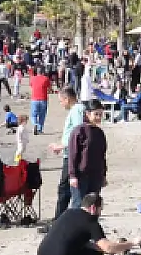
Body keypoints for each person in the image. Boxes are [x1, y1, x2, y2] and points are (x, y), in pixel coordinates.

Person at [36, 193, 141, 255]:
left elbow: (73, 239)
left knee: (88, 247)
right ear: (93, 208)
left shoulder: (68, 213)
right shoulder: (91, 222)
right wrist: (133, 242)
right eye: (100, 209)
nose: (100, 213)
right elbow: (108, 248)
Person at [48, 87, 86, 218]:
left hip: (72, 156)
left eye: (61, 101)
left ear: (67, 99)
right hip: (69, 152)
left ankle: (59, 221)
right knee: (66, 189)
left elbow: (78, 132)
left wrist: (61, 146)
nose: (61, 104)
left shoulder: (77, 110)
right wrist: (62, 146)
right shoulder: (77, 110)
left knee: (65, 189)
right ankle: (61, 219)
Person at [67, 112, 108, 212]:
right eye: (96, 114)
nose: (99, 117)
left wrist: (103, 175)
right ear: (88, 114)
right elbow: (72, 155)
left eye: (100, 114)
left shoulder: (100, 133)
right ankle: (76, 227)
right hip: (81, 175)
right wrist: (72, 176)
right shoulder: (79, 131)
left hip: (96, 175)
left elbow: (102, 156)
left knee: (94, 205)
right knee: (79, 205)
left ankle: (91, 227)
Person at [28, 68, 52, 134]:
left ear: (37, 72)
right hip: (43, 99)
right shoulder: (46, 78)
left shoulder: (32, 78)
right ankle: (40, 129)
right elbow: (50, 89)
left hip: (34, 99)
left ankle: (35, 123)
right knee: (42, 115)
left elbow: (31, 86)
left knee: (33, 115)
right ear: (43, 72)